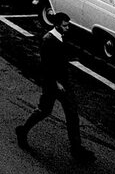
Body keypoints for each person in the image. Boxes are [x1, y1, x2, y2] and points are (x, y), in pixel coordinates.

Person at [16, 12, 94, 164]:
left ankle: (76, 148)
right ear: (57, 25)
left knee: (71, 113)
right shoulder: (48, 40)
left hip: (63, 83)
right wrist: (56, 83)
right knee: (45, 110)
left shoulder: (59, 38)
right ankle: (23, 130)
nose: (68, 28)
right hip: (54, 84)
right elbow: (46, 66)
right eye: (65, 25)